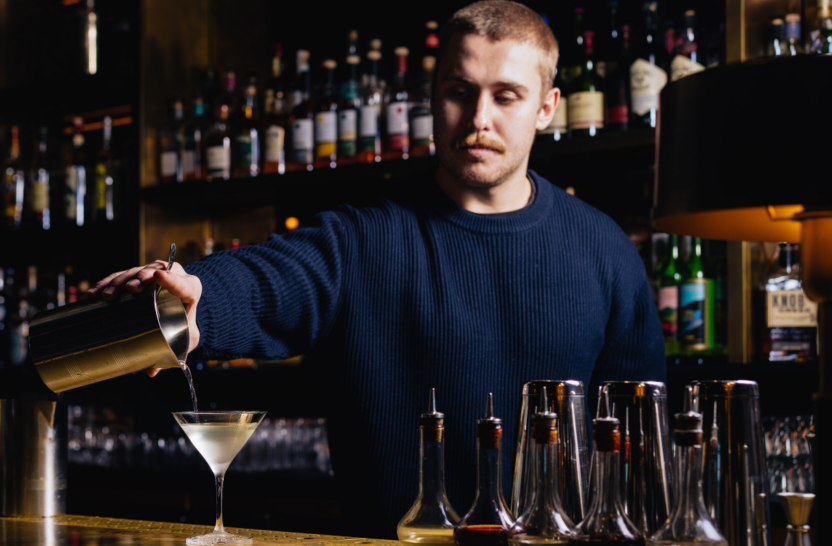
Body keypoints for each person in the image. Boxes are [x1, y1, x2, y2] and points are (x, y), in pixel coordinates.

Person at [91, 0, 664, 538]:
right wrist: (196, 297)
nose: (479, 118)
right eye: (459, 92)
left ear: (546, 108)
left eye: (506, 96)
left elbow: (642, 452)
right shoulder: (360, 239)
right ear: (432, 98)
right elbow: (267, 281)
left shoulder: (605, 251)